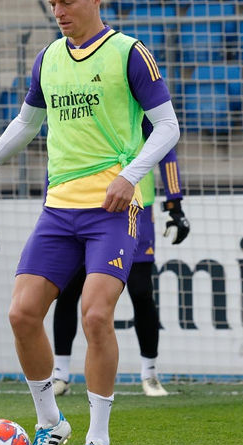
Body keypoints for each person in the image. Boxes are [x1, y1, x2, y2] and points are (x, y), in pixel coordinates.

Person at [0, 0, 180, 445]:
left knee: (96, 315)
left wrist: (131, 176)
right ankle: (50, 423)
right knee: (21, 314)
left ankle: (98, 441)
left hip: (113, 207)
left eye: (67, 1)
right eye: (52, 3)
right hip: (59, 208)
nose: (58, 11)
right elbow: (26, 123)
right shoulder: (49, 59)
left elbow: (167, 126)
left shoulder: (129, 53)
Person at [52, 146, 188, 397]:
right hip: (82, 207)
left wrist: (174, 202)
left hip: (136, 208)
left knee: (141, 292)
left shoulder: (140, 107)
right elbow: (62, 152)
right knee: (69, 289)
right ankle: (60, 375)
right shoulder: (83, 111)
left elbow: (166, 148)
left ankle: (150, 374)